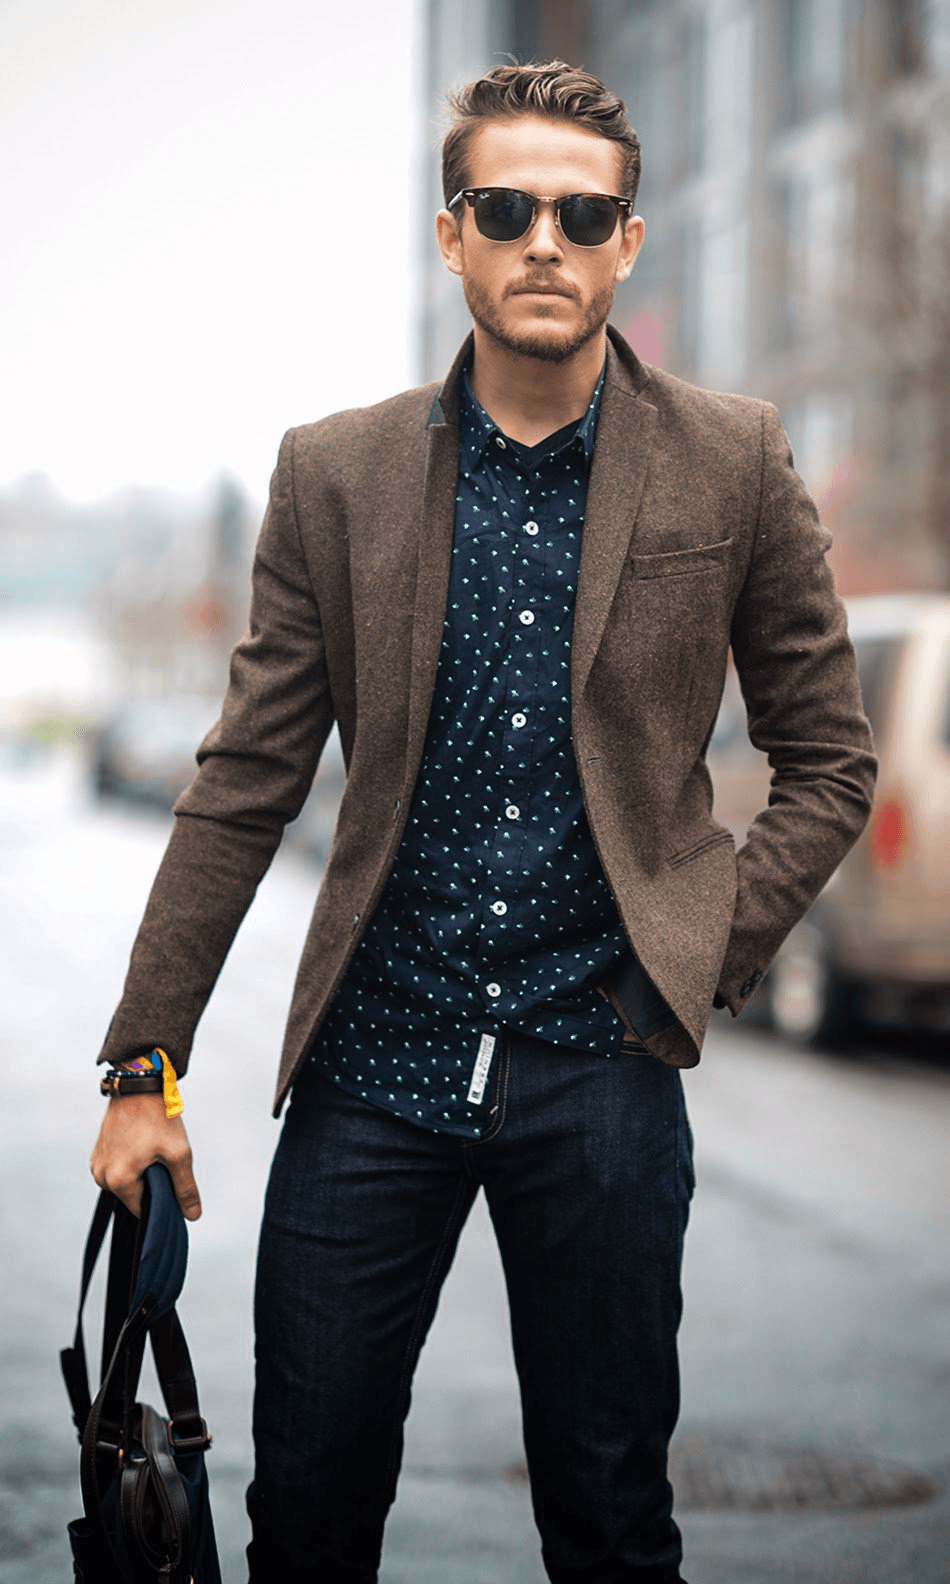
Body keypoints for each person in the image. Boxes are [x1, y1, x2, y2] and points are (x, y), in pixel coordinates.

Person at [90, 59, 876, 1584]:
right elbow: (244, 778)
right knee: (305, 1514)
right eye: (505, 210)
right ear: (450, 234)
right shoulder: (336, 476)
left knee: (606, 1517)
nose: (544, 245)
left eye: (581, 218)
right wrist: (143, 1064)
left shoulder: (731, 459)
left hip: (601, 1070)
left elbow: (827, 757)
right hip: (372, 1068)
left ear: (626, 244)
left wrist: (694, 948)